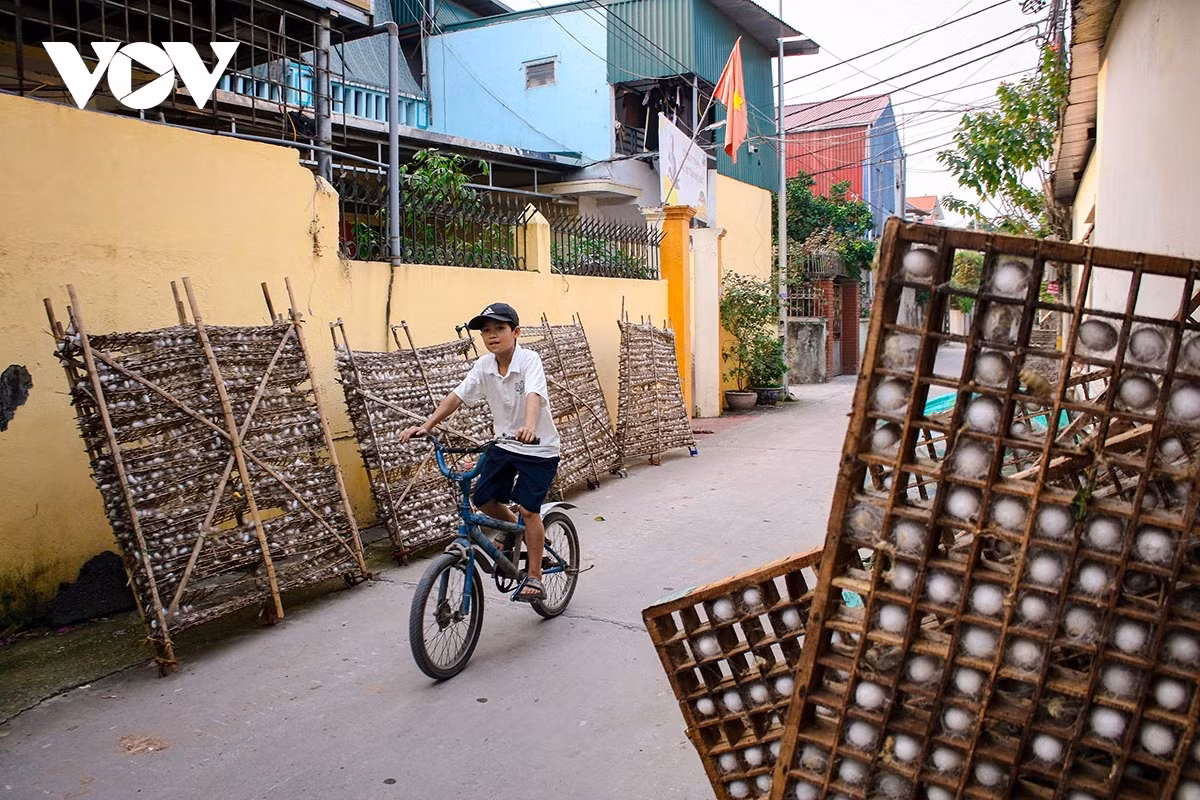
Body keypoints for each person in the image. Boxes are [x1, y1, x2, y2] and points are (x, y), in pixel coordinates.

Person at [399, 302, 560, 602]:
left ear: (515, 332)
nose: (492, 335)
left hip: (538, 448)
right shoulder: (484, 366)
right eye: (486, 331)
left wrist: (528, 426)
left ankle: (535, 577)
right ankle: (518, 531)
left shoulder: (529, 360)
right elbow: (458, 396)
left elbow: (533, 394)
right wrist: (428, 425)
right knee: (483, 499)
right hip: (503, 444)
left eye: (499, 329)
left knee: (528, 510)